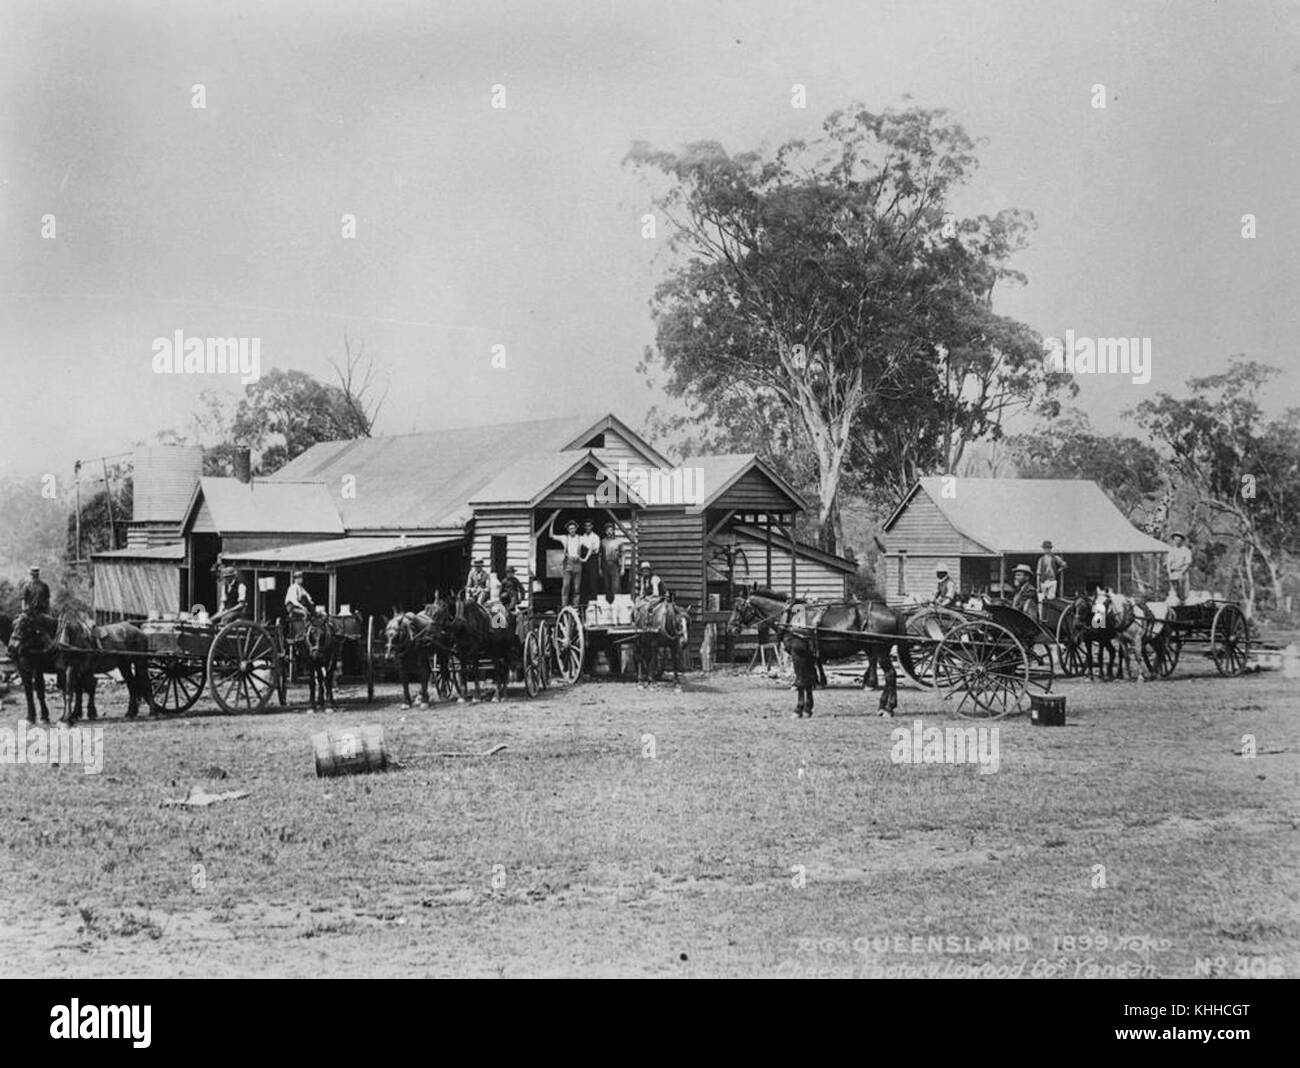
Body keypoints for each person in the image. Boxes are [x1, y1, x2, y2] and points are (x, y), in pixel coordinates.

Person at [547, 517, 584, 608]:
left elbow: (593, 545)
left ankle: (575, 607)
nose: (572, 530)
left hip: (577, 563)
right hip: (568, 562)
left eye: (573, 528)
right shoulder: (564, 538)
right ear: (568, 530)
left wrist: (584, 558)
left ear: (576, 529)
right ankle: (564, 606)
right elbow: (551, 535)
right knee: (566, 585)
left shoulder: (581, 538)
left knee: (577, 587)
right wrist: (552, 522)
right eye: (570, 528)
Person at [600, 522, 626, 602]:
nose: (609, 532)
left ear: (613, 531)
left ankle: (617, 605)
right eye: (607, 530)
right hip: (605, 565)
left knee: (616, 586)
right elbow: (600, 556)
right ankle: (608, 605)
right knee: (606, 586)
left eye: (611, 530)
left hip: (615, 565)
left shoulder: (619, 542)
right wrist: (599, 568)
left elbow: (623, 555)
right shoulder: (602, 542)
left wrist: (622, 568)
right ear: (605, 531)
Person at [579, 520, 601, 605]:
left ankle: (594, 604)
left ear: (592, 526)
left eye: (589, 526)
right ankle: (584, 604)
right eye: (586, 526)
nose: (587, 527)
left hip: (592, 561)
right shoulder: (582, 537)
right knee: (584, 583)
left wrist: (587, 548)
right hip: (583, 563)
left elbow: (595, 550)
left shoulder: (595, 537)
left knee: (593, 582)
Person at [1166, 532, 1192, 604]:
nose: (1177, 541)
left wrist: (1181, 573)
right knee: (1173, 591)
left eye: (1179, 540)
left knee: (1182, 591)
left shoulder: (1186, 551)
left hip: (1182, 572)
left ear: (1182, 541)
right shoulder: (1171, 550)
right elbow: (1168, 562)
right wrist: (1169, 572)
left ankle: (1183, 603)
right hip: (1173, 572)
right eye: (1175, 540)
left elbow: (1187, 563)